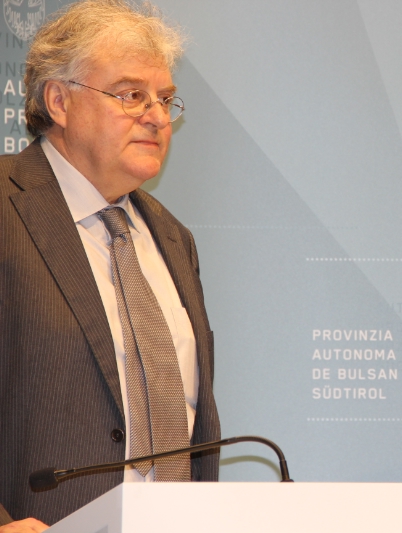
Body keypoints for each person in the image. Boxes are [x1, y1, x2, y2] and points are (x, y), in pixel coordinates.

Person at [0, 1, 220, 530]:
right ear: (59, 101)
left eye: (165, 99)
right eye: (131, 95)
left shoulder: (174, 240)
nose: (157, 117)